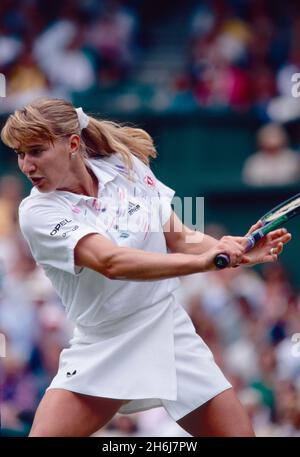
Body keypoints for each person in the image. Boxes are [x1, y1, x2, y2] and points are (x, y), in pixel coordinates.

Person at [0, 98, 291, 437]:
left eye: (36, 151)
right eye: (20, 154)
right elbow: (112, 262)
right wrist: (205, 262)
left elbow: (179, 238)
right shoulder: (36, 212)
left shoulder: (125, 167)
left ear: (73, 145)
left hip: (167, 329)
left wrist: (232, 250)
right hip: (103, 344)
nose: (26, 165)